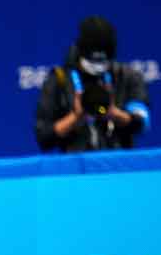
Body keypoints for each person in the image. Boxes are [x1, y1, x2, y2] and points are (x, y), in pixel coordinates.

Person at [33, 15, 150, 153]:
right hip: (75, 168)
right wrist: (76, 117)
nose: (97, 65)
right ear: (81, 49)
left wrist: (113, 113)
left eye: (103, 59)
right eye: (93, 59)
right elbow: (44, 137)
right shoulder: (59, 80)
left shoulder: (127, 77)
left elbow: (141, 124)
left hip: (119, 164)